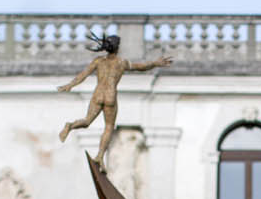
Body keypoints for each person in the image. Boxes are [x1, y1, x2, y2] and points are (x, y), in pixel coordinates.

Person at [57, 31, 174, 160]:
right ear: (117, 48)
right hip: (110, 96)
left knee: (86, 121)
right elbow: (140, 66)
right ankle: (100, 156)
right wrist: (155, 63)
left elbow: (83, 75)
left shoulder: (98, 61)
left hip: (98, 95)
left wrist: (70, 85)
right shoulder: (121, 63)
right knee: (108, 127)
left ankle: (70, 126)